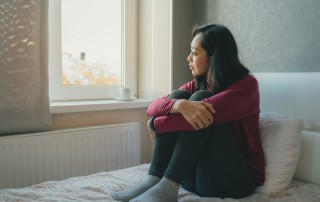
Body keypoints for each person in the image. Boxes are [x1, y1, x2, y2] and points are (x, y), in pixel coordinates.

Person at [112, 24, 265, 202]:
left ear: (214, 56)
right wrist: (177, 105)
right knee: (178, 96)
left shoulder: (246, 87)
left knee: (200, 101)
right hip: (196, 178)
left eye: (195, 52)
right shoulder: (201, 82)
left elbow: (181, 120)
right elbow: (153, 107)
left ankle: (167, 186)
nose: (188, 58)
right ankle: (155, 180)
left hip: (236, 180)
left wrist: (154, 124)